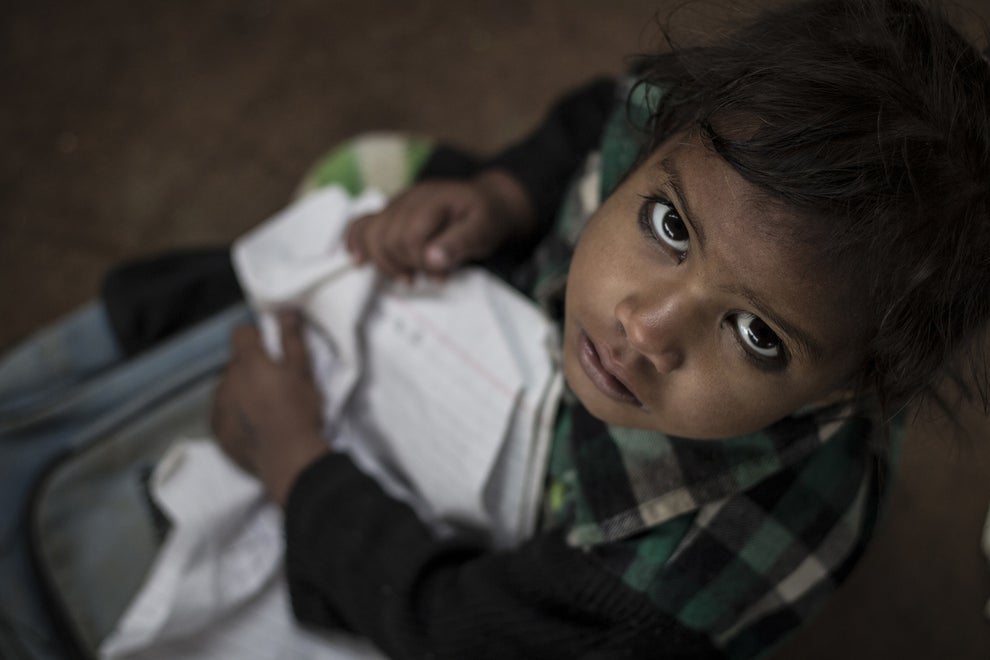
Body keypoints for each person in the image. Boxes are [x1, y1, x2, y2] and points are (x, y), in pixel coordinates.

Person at [3, 0, 988, 658]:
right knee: (334, 220)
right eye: (666, 226)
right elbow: (592, 119)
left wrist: (299, 468)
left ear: (850, 390)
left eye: (757, 336)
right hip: (508, 326)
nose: (646, 327)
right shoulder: (693, 136)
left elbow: (451, 626)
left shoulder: (674, 583)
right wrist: (499, 195)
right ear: (661, 150)